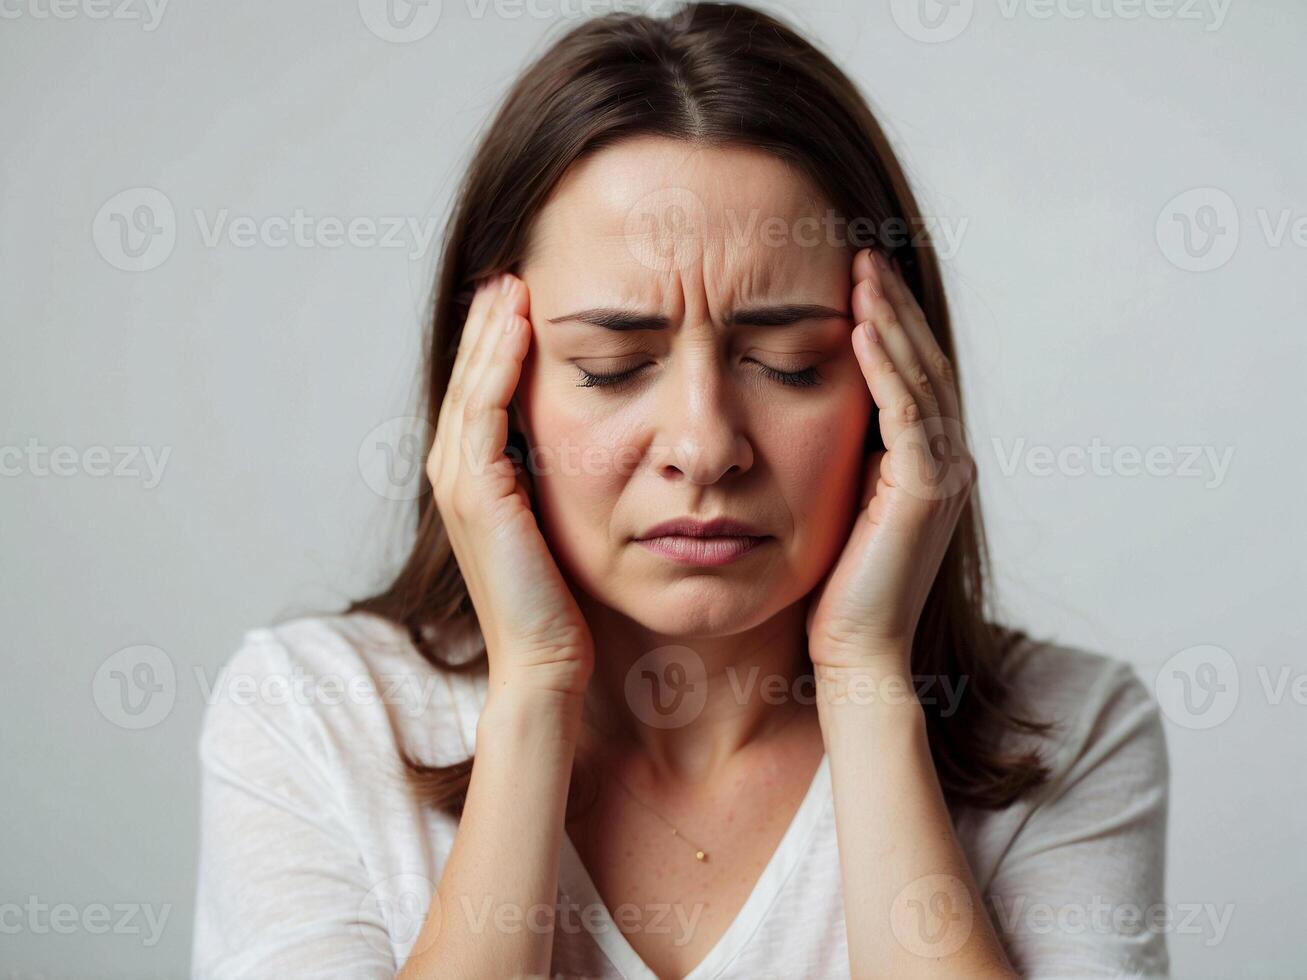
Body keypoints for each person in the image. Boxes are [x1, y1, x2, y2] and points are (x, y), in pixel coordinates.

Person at [191, 4, 1169, 977]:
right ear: (494, 388)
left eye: (786, 362)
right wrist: (532, 688)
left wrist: (866, 678)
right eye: (614, 363)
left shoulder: (1068, 728)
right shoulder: (312, 714)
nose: (703, 446)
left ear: (894, 392)